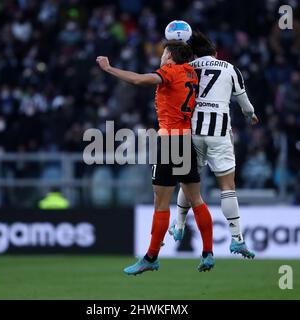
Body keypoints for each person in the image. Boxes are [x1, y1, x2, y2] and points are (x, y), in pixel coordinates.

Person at [96, 40, 215, 275]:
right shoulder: (191, 72)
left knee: (161, 203)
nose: (161, 57)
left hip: (170, 141)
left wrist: (109, 69)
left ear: (170, 56)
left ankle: (151, 257)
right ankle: (208, 252)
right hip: (187, 140)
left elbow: (139, 80)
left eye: (164, 53)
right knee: (196, 199)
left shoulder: (169, 71)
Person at [169, 32, 259, 259]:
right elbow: (244, 102)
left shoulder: (188, 67)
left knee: (189, 182)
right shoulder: (229, 68)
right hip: (219, 133)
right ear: (215, 53)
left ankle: (179, 225)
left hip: (193, 132)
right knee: (227, 187)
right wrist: (251, 115)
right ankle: (237, 239)